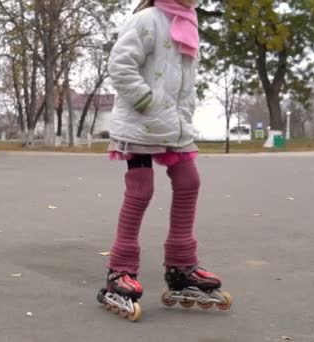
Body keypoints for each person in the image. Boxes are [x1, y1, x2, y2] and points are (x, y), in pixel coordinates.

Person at [96, 0, 232, 322]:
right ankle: (120, 271)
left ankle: (181, 267)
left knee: (189, 182)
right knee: (141, 190)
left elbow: (184, 82)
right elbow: (120, 64)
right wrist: (147, 102)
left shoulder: (188, 21)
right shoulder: (147, 20)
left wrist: (181, 114)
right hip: (142, 124)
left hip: (174, 126)